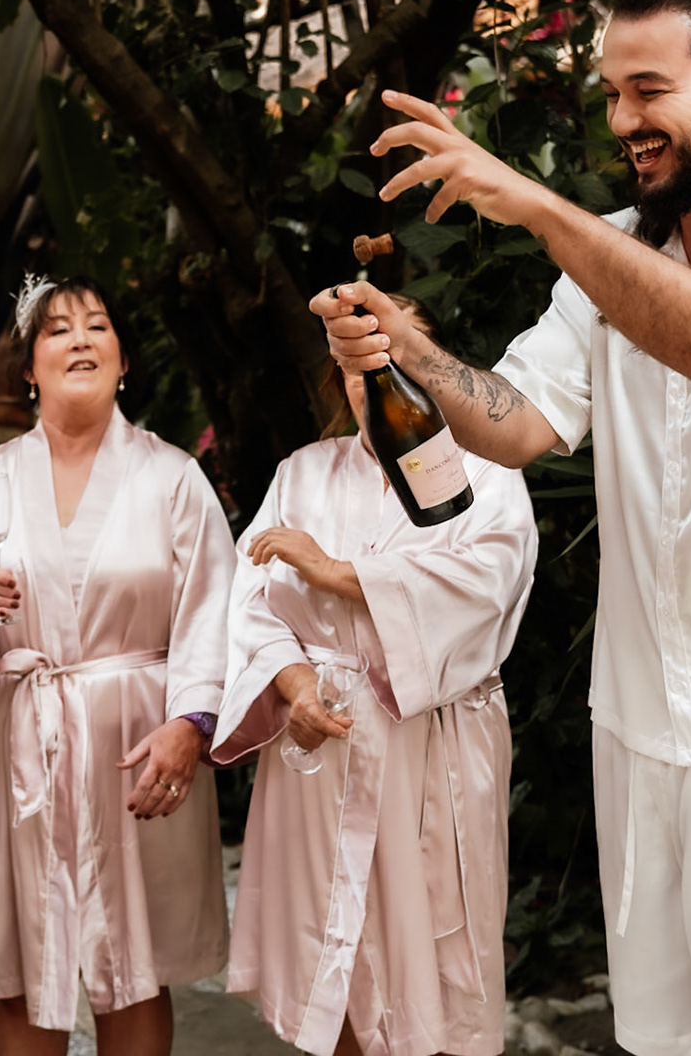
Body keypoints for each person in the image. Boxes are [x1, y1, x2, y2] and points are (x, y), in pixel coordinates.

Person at [316, 0, 691, 1054]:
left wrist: (535, 207)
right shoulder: (610, 254)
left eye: (649, 89)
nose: (624, 119)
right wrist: (406, 352)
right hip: (637, 739)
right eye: (613, 93)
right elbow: (516, 421)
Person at [0, 275, 234, 1056]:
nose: (80, 338)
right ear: (28, 367)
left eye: (97, 325)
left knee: (136, 968)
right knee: (26, 965)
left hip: (139, 745)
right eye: (57, 329)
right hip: (23, 735)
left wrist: (190, 725)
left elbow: (215, 608)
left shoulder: (172, 477)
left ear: (124, 359)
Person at [214, 300, 537, 1056]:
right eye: (356, 364)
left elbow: (487, 583)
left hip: (433, 746)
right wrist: (294, 685)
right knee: (333, 967)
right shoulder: (302, 473)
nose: (376, 377)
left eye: (391, 353)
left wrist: (337, 573)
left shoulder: (484, 471)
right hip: (321, 738)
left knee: (436, 964)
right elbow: (251, 597)